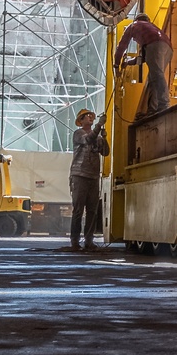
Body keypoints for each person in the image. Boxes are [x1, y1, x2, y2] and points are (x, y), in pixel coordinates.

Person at [113, 13, 173, 117]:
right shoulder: (153, 29)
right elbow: (144, 58)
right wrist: (128, 62)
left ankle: (164, 104)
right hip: (168, 48)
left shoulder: (133, 26)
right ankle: (154, 108)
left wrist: (117, 65)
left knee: (156, 75)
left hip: (155, 45)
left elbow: (121, 47)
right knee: (155, 76)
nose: (135, 40)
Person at [69, 108, 109, 252]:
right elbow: (88, 139)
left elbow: (105, 152)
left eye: (91, 116)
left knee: (92, 210)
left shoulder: (97, 137)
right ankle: (74, 241)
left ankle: (89, 240)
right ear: (81, 120)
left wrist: (104, 138)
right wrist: (99, 126)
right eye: (87, 116)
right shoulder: (78, 134)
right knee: (78, 210)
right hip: (79, 175)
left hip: (93, 176)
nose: (90, 117)